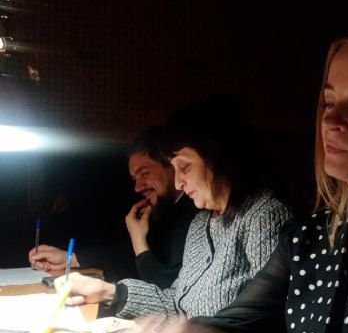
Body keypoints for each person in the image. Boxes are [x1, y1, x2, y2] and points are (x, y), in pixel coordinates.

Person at [14, 30, 348, 333]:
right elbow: (229, 323)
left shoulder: (268, 217)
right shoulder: (310, 238)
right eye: (328, 102)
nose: (332, 121)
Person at [49, 95, 290, 320]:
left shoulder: (265, 216)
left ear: (219, 156)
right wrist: (110, 293)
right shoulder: (201, 224)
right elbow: (176, 302)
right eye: (175, 169)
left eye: (185, 168)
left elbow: (265, 322)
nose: (177, 183)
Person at [29, 125, 198, 288]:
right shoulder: (161, 209)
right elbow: (124, 256)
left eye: (144, 173)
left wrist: (138, 242)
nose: (138, 187)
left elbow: (168, 290)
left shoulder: (195, 213)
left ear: (173, 167)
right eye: (135, 178)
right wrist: (69, 258)